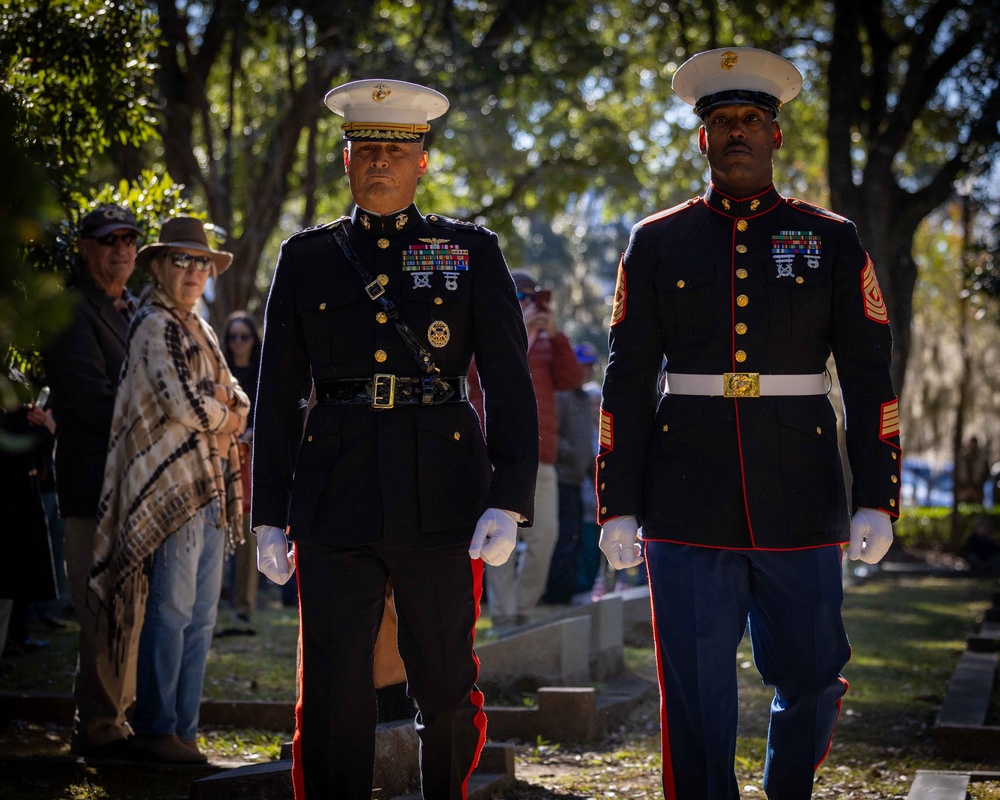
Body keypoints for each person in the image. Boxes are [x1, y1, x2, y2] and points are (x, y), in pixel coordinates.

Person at [596, 47, 901, 799]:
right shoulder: (657, 240)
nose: (737, 133)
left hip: (801, 489)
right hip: (685, 491)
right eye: (722, 121)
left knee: (814, 673)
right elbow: (628, 380)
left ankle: (787, 786)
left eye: (752, 120)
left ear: (776, 136)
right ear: (702, 138)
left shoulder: (830, 238)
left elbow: (866, 378)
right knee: (695, 686)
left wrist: (876, 494)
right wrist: (618, 505)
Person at [250, 79, 538, 800]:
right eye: (366, 148)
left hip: (441, 492)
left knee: (444, 681)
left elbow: (508, 380)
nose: (380, 161)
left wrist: (509, 500)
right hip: (333, 490)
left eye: (396, 149)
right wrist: (266, 514)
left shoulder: (468, 250)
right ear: (345, 162)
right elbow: (278, 394)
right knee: (332, 687)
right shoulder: (307, 256)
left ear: (423, 163)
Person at [89, 216, 249, 764]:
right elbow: (184, 401)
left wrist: (226, 410)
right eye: (182, 259)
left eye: (202, 262)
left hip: (209, 489)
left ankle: (184, 729)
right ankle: (157, 728)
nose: (193, 271)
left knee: (202, 617)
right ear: (158, 266)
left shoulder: (201, 329)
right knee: (172, 612)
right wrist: (224, 414)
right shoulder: (153, 323)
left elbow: (240, 396)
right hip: (170, 491)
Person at [41, 203, 143, 760]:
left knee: (127, 612)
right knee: (99, 609)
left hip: (135, 489)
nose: (121, 250)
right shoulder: (69, 312)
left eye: (129, 240)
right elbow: (93, 403)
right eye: (109, 241)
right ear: (84, 247)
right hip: (91, 487)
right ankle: (99, 729)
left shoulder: (132, 310)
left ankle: (114, 724)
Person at [469, 272, 583, 626]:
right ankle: (503, 616)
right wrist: (525, 336)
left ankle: (522, 611)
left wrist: (555, 333)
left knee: (545, 536)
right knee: (497, 534)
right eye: (521, 296)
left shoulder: (551, 340)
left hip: (541, 456)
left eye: (534, 296)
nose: (528, 303)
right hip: (495, 452)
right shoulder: (485, 329)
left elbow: (572, 380)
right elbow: (473, 377)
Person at [542, 342, 598, 604]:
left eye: (589, 365)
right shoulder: (561, 394)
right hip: (560, 478)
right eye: (581, 364)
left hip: (577, 480)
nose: (585, 370)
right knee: (561, 538)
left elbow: (586, 441)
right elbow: (554, 435)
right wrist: (574, 454)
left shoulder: (584, 397)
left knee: (573, 539)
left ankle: (567, 590)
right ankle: (555, 593)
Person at [221, 311, 262, 629]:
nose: (238, 343)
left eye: (244, 337)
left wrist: (251, 433)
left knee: (247, 533)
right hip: (220, 456)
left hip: (252, 461)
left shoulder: (264, 372)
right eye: (233, 337)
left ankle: (244, 606)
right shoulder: (221, 372)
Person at [955, 435, 990, 505]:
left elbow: (985, 476)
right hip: (963, 492)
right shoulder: (962, 460)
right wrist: (965, 489)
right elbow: (957, 476)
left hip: (977, 492)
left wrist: (974, 489)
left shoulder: (982, 461)